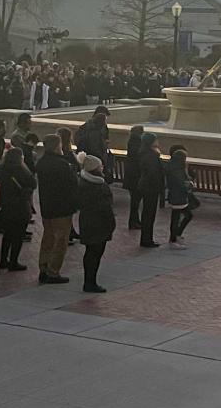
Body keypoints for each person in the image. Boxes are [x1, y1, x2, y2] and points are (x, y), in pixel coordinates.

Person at [35, 134, 79, 284]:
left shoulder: (41, 163)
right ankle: (53, 271)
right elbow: (73, 183)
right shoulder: (62, 164)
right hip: (62, 207)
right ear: (56, 146)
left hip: (47, 206)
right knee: (61, 240)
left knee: (48, 238)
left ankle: (43, 267)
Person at [76, 152, 114, 293]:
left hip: (89, 221)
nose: (103, 168)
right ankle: (90, 282)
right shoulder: (97, 185)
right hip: (97, 223)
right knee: (94, 253)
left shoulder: (84, 182)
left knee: (91, 252)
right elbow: (104, 206)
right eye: (100, 166)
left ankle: (89, 280)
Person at [0, 147, 36, 271]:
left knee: (7, 235)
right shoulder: (21, 170)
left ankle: (3, 260)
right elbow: (33, 183)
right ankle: (14, 262)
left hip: (6, 205)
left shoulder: (1, 169)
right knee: (18, 236)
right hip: (20, 206)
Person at [137, 132, 164, 248]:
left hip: (145, 186)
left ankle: (146, 238)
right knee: (149, 214)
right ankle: (147, 239)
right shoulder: (151, 155)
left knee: (147, 213)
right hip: (151, 188)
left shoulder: (143, 153)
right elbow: (153, 173)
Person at [165, 145, 195, 247]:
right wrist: (189, 186)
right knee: (181, 217)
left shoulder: (172, 167)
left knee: (177, 217)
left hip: (174, 196)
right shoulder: (178, 170)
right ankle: (174, 238)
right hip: (178, 197)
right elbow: (181, 183)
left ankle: (175, 236)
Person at [123, 125, 144, 230]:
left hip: (130, 176)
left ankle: (134, 221)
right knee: (135, 201)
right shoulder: (137, 143)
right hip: (135, 176)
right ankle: (134, 221)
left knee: (134, 200)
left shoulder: (131, 142)